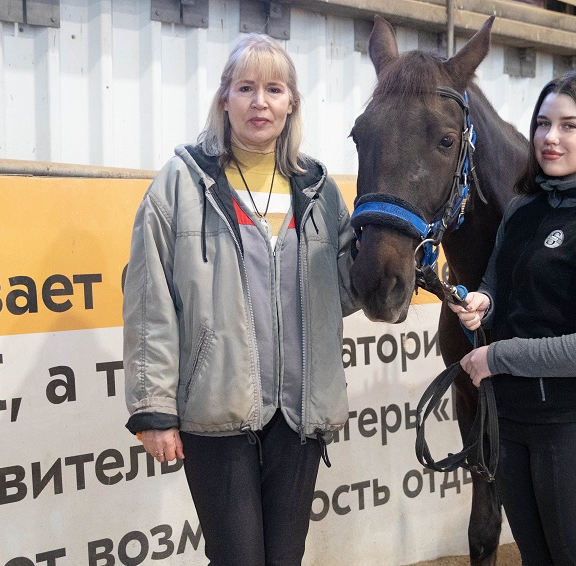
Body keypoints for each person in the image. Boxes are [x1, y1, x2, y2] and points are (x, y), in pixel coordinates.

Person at [123, 33, 359, 565]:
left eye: (274, 89)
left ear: (291, 102)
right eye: (246, 87)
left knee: (284, 558)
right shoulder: (181, 184)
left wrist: (395, 260)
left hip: (299, 416)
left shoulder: (320, 189)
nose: (260, 102)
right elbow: (148, 303)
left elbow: (343, 294)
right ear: (224, 98)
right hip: (216, 413)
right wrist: (153, 409)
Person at [449, 73, 576, 566]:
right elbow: (496, 286)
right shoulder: (520, 212)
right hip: (511, 421)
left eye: (568, 126)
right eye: (542, 123)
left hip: (571, 424)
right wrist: (481, 304)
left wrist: (499, 356)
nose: (550, 138)